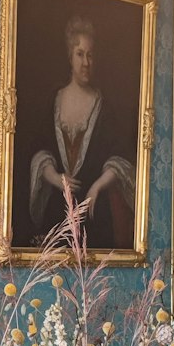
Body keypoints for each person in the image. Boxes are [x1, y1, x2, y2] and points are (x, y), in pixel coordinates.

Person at [28, 14, 135, 248]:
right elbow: (39, 151)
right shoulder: (55, 100)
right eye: (80, 54)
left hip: (96, 215)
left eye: (90, 55)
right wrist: (56, 178)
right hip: (57, 214)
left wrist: (97, 186)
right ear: (69, 56)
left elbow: (120, 158)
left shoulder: (105, 106)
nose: (86, 62)